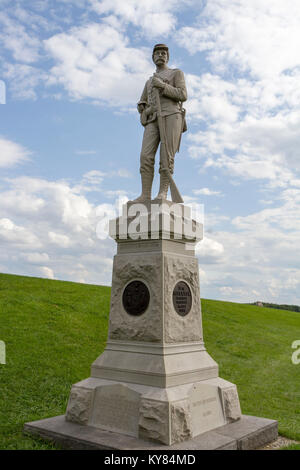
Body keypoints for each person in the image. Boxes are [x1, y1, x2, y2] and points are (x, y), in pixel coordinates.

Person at [133, 44, 187, 202]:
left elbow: (183, 94)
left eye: (163, 53)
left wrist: (163, 86)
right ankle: (145, 194)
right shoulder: (149, 82)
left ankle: (163, 193)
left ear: (167, 57)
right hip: (153, 119)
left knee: (166, 157)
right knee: (145, 156)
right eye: (157, 53)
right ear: (153, 57)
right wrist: (144, 109)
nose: (160, 55)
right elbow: (143, 103)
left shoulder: (176, 73)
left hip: (171, 115)